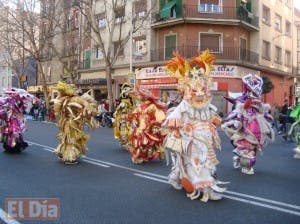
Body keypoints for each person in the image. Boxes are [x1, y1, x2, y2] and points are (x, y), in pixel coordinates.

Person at [163, 50, 226, 202]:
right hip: (190, 139)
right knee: (196, 162)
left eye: (202, 90)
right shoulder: (184, 105)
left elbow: (211, 116)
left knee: (204, 161)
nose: (199, 93)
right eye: (195, 90)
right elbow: (172, 118)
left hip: (206, 139)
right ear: (187, 91)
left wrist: (215, 119)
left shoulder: (207, 106)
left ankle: (178, 178)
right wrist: (175, 123)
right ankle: (205, 188)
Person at [222, 74, 275, 175]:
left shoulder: (258, 101)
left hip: (258, 127)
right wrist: (236, 121)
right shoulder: (242, 99)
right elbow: (237, 112)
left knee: (254, 147)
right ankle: (245, 164)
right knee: (246, 147)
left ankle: (238, 157)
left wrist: (267, 118)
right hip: (245, 126)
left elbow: (262, 111)